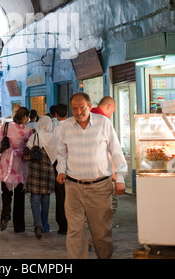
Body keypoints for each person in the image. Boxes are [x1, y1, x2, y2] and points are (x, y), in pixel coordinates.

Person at [56, 92, 127, 259]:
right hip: (73, 187)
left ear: (89, 106)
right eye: (75, 109)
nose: (79, 112)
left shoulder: (103, 123)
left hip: (100, 187)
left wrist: (121, 178)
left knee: (101, 234)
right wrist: (61, 170)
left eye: (82, 108)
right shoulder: (65, 126)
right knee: (75, 231)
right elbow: (61, 152)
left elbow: (116, 151)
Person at [0, 107, 32, 233]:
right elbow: (28, 148)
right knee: (19, 195)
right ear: (25, 117)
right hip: (20, 164)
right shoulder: (28, 131)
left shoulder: (6, 126)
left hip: (6, 163)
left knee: (6, 193)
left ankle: (5, 215)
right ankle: (19, 226)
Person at [25, 115, 56, 239]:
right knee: (45, 200)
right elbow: (57, 155)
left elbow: (27, 150)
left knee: (34, 199)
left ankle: (37, 223)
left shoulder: (35, 136)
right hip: (48, 170)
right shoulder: (54, 137)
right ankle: (45, 226)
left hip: (35, 170)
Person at [53, 104, 68, 235]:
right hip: (72, 167)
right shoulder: (71, 127)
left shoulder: (55, 130)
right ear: (67, 113)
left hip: (58, 166)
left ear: (56, 115)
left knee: (61, 197)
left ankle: (63, 225)